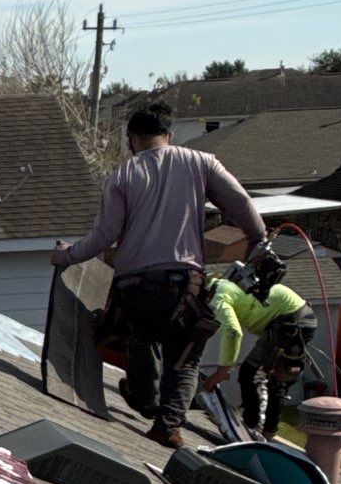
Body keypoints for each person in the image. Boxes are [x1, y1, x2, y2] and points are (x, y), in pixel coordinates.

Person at [51, 101, 266, 448]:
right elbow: (239, 202)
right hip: (183, 285)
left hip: (133, 285)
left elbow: (104, 236)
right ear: (169, 134)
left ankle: (143, 399)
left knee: (141, 340)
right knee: (185, 357)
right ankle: (167, 425)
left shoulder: (121, 176)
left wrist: (67, 256)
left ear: (131, 139)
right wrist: (258, 239)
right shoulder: (201, 162)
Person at [201, 253, 317, 440]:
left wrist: (220, 373)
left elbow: (232, 332)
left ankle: (256, 428)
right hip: (297, 317)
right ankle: (258, 426)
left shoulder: (217, 299)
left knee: (258, 375)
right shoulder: (224, 285)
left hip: (291, 321)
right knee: (263, 375)